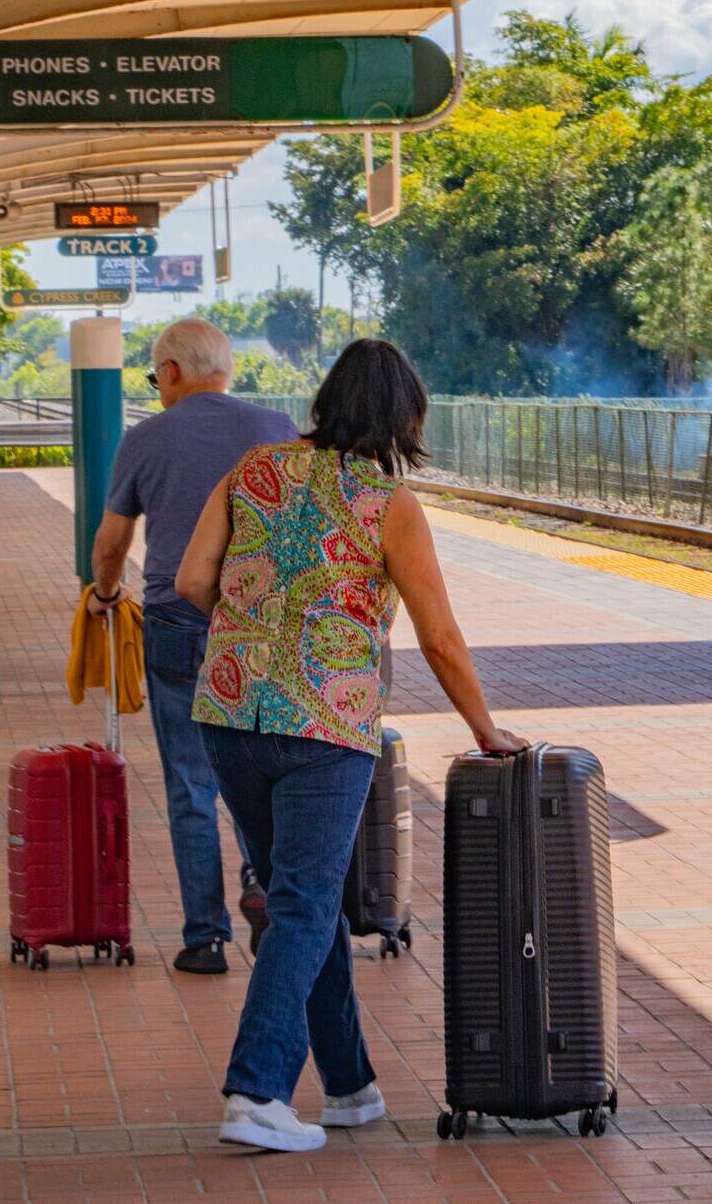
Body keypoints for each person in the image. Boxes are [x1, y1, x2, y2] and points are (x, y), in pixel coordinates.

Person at [177, 338, 526, 1153]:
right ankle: (257, 1091)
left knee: (307, 896)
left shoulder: (252, 469)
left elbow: (194, 580)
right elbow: (439, 635)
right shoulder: (388, 503)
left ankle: (349, 1084)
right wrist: (485, 727)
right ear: (402, 418)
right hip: (324, 725)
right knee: (303, 900)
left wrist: (256, 626)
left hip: (229, 711)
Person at [88, 320, 300, 975]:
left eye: (156, 378)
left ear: (172, 372)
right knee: (262, 767)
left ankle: (204, 937)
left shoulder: (145, 438)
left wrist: (103, 593)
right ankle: (263, 883)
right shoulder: (279, 428)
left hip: (177, 621)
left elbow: (111, 543)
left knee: (190, 781)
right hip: (262, 624)